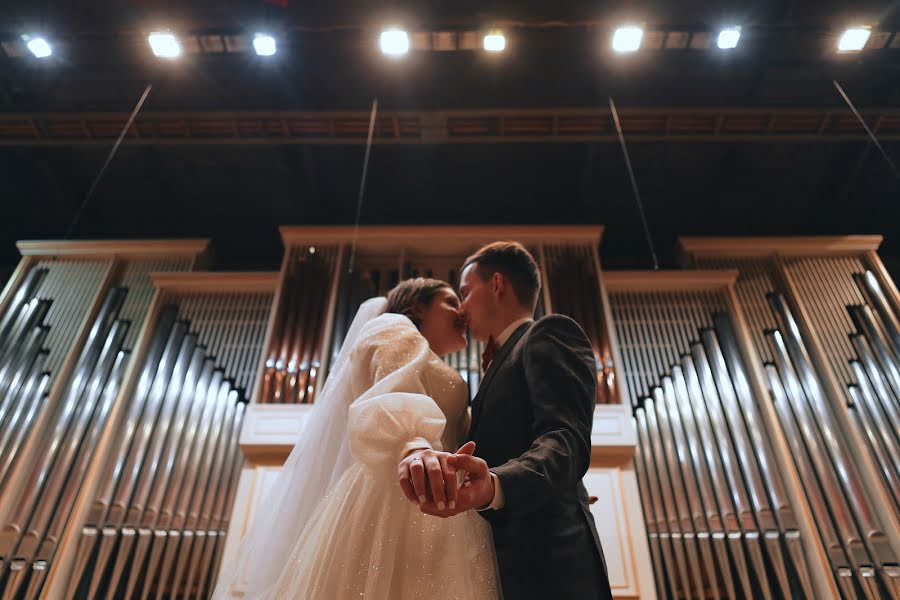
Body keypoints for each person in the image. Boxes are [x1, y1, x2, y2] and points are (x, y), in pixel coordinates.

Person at [212, 278, 499, 599]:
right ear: (418, 307)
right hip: (402, 489)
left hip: (443, 496)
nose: (460, 311)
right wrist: (414, 445)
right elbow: (392, 386)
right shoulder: (394, 326)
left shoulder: (435, 364)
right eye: (449, 301)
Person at [398, 241, 613, 599]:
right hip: (504, 567)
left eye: (465, 292)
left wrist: (499, 483)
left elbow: (565, 439)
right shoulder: (497, 364)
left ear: (496, 284)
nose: (462, 309)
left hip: (551, 567)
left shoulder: (548, 333)